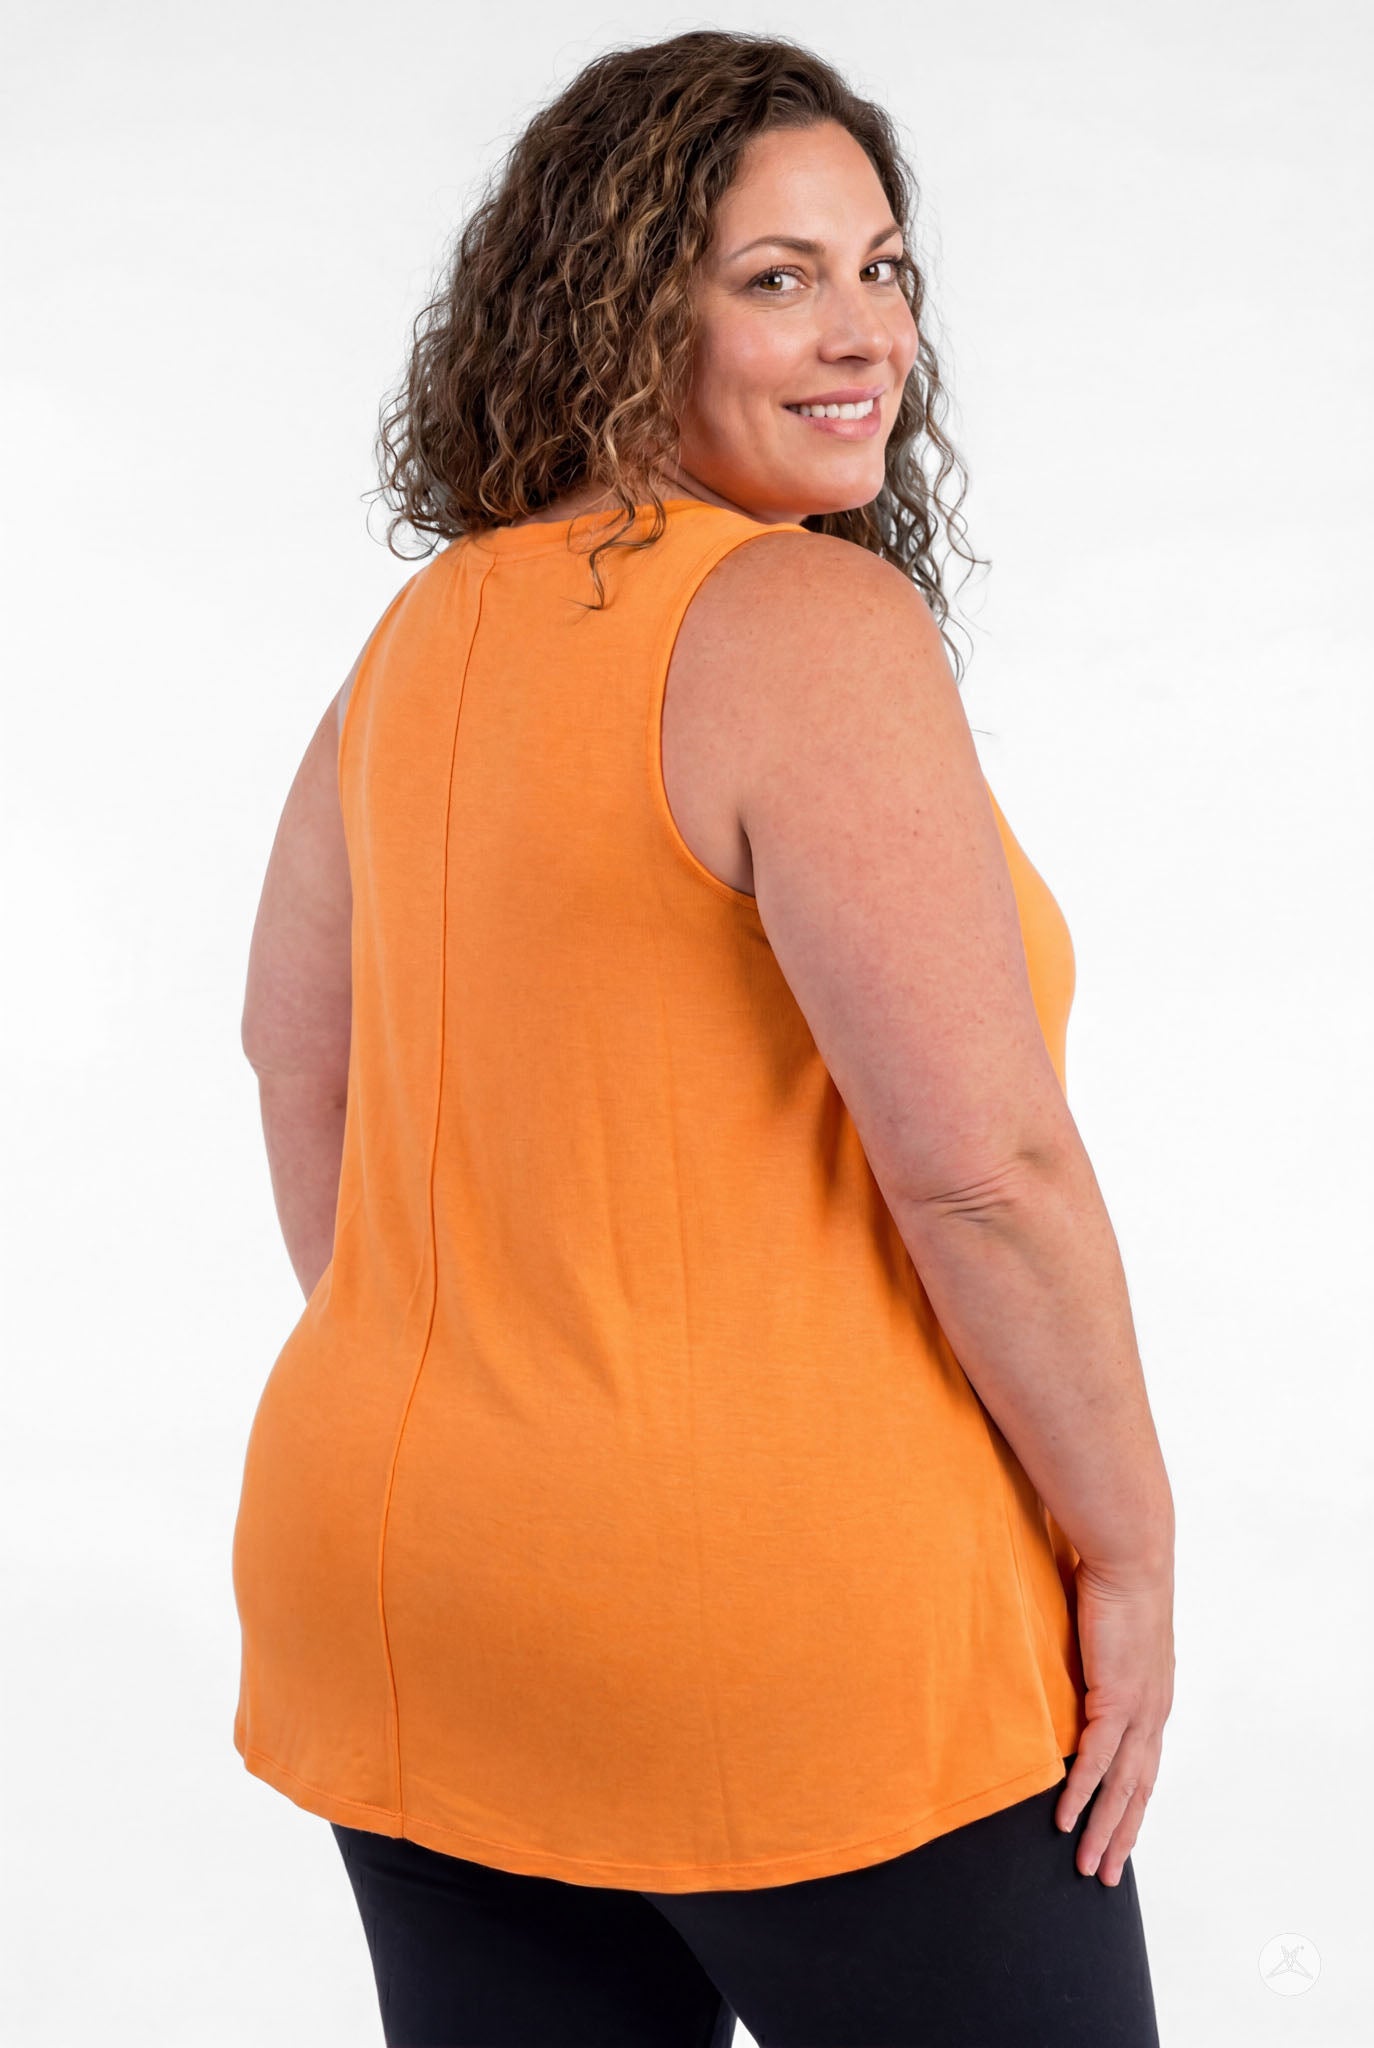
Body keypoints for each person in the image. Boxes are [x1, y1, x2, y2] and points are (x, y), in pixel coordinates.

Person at [231, 27, 1175, 2047]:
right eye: (777, 277)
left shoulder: (423, 634)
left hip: (410, 1597)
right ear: (618, 307)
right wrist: (1130, 1548)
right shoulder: (802, 625)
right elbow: (983, 1172)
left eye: (881, 266)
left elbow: (296, 1059)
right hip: (784, 1626)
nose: (866, 333)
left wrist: (498, 1400)